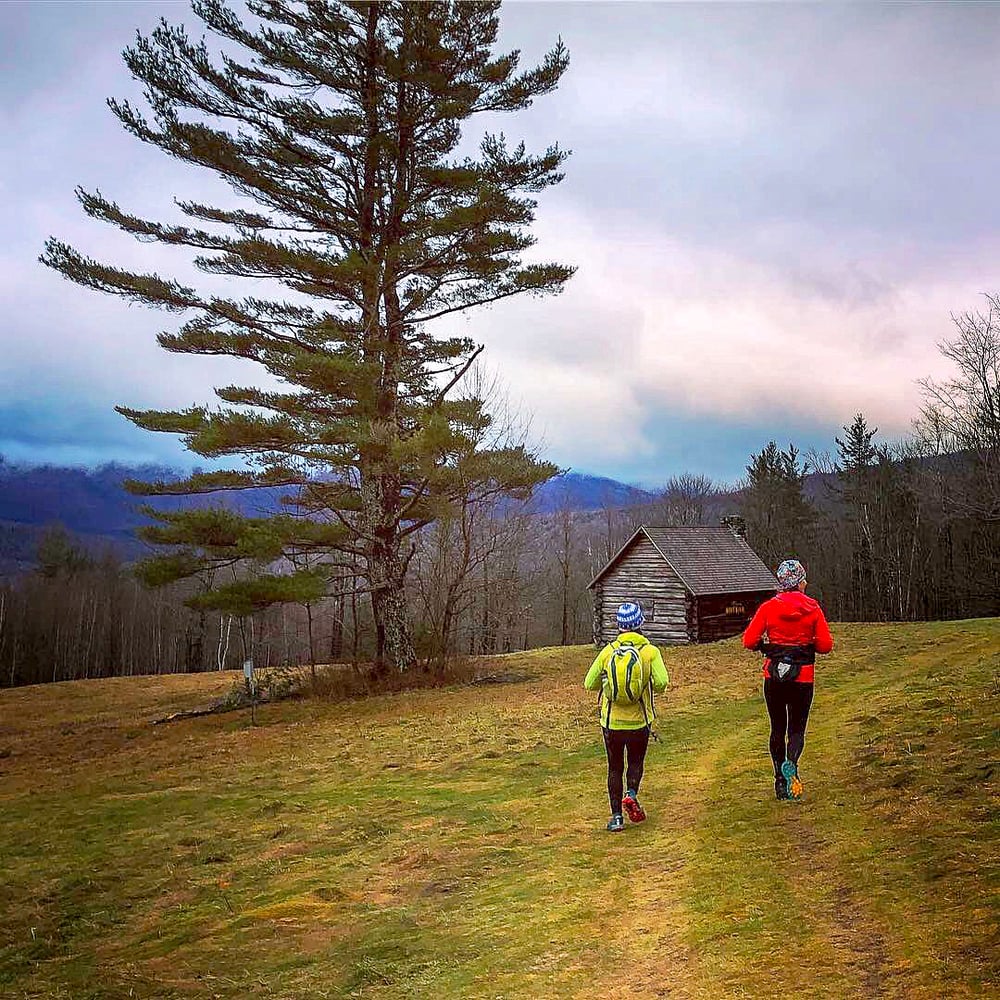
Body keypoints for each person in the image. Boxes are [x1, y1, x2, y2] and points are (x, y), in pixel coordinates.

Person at [742, 558, 833, 801]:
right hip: (803, 678)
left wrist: (767, 646)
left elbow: (749, 640)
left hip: (774, 676)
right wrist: (808, 644)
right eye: (803, 579)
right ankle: (791, 764)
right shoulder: (813, 608)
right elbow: (826, 645)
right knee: (796, 729)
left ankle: (780, 781)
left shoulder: (768, 608)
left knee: (777, 728)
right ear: (800, 582)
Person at [584, 601, 669, 831]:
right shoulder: (650, 652)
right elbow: (662, 683)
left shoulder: (608, 652)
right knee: (635, 762)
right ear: (640, 624)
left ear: (619, 626)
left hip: (611, 722)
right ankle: (631, 793)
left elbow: (589, 683)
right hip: (640, 721)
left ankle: (616, 818)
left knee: (614, 768)